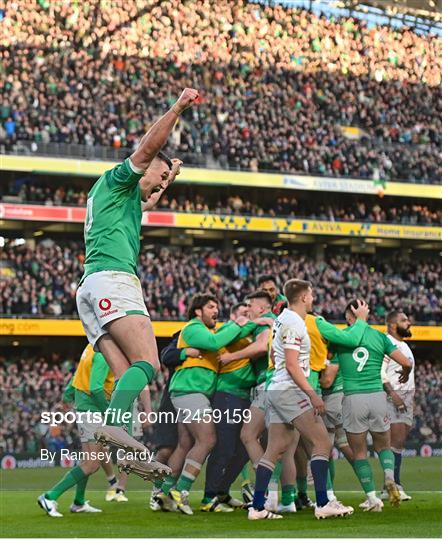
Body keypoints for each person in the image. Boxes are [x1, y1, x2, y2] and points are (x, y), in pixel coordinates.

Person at [76, 88, 199, 481]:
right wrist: (177, 108)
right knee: (147, 362)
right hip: (114, 280)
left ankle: (125, 446)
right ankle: (115, 431)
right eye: (158, 176)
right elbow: (148, 149)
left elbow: (148, 201)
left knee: (126, 370)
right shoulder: (119, 178)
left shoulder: (121, 200)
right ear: (143, 169)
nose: (158, 183)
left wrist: (171, 178)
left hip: (91, 287)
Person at [249, 279, 369, 520]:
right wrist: (312, 394)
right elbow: (292, 364)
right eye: (311, 294)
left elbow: (278, 355)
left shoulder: (283, 318)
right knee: (322, 442)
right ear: (304, 297)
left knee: (274, 449)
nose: (313, 298)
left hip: (277, 389)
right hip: (290, 391)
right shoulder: (294, 322)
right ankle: (323, 502)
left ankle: (257, 507)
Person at [157, 293, 255, 515]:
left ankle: (163, 492)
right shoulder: (193, 328)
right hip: (191, 391)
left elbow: (221, 338)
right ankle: (180, 490)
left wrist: (253, 323)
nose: (215, 310)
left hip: (189, 392)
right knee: (208, 439)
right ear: (198, 311)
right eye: (211, 306)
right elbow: (214, 342)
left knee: (186, 444)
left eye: (217, 306)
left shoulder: (209, 331)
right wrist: (237, 323)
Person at [331, 300, 413, 512]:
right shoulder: (379, 336)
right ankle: (389, 478)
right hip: (377, 397)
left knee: (359, 452)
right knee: (383, 446)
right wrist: (405, 372)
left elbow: (329, 371)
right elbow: (405, 362)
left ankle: (373, 500)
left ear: (350, 316)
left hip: (353, 398)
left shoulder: (342, 336)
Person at [38, 345, 114, 517]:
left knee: (90, 460)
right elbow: (95, 388)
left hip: (85, 408)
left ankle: (78, 502)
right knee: (92, 464)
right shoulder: (104, 352)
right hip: (92, 411)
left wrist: (68, 394)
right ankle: (49, 496)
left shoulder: (91, 347)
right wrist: (109, 412)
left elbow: (78, 375)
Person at [202, 302, 257, 511]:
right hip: (227, 396)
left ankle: (222, 491)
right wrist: (256, 320)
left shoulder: (246, 337)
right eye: (243, 313)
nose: (247, 317)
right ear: (234, 316)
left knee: (243, 450)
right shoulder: (228, 330)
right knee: (224, 447)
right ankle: (209, 498)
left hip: (243, 398)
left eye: (249, 313)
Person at [150, 333, 201, 511]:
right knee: (165, 449)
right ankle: (156, 490)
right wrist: (186, 352)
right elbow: (166, 355)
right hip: (171, 399)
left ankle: (168, 490)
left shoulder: (210, 337)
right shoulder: (183, 335)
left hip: (195, 396)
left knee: (185, 445)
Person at [380, 311, 415, 502]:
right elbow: (380, 372)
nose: (408, 323)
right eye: (404, 320)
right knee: (394, 442)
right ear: (393, 325)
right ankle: (393, 485)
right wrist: (393, 395)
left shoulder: (404, 345)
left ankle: (390, 485)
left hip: (406, 398)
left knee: (398, 443)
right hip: (393, 397)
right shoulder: (388, 343)